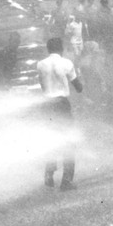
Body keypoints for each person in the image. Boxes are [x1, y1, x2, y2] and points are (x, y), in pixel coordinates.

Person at [37, 37, 84, 190]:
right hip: (61, 105)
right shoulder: (66, 63)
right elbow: (78, 86)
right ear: (61, 49)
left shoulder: (40, 64)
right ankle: (66, 181)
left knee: (51, 138)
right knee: (68, 141)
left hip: (46, 105)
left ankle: (49, 175)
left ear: (48, 49)